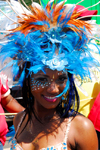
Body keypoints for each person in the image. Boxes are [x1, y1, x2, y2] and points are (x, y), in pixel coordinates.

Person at [0, 0, 100, 149]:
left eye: (61, 79)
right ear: (27, 79)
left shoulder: (81, 128)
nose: (53, 89)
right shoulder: (20, 119)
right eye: (42, 79)